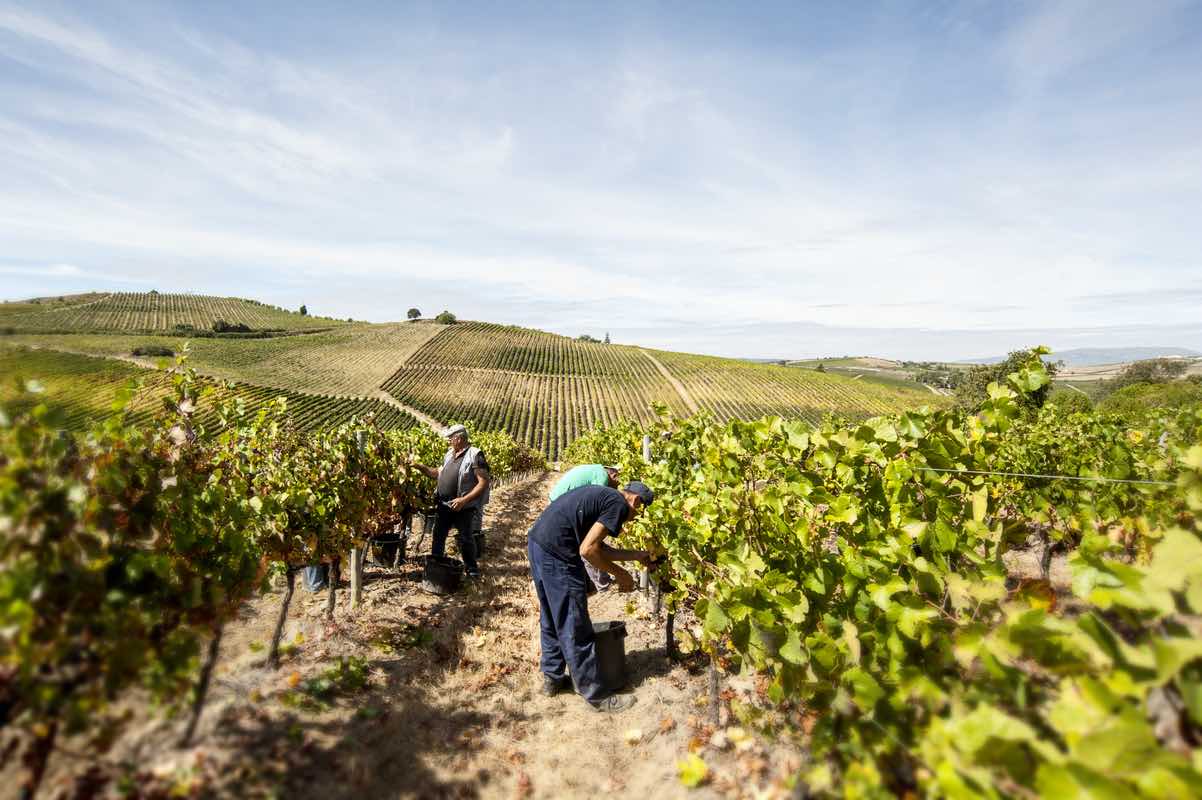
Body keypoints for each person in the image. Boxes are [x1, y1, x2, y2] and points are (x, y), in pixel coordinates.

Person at [527, 480, 654, 712]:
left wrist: (636, 555)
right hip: (557, 554)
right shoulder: (618, 505)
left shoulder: (605, 496)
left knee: (551, 617)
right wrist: (621, 575)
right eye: (639, 513)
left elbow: (599, 547)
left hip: (538, 544)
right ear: (635, 501)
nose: (634, 519)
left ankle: (553, 679)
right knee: (574, 623)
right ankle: (597, 695)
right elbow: (588, 550)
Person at [412, 424, 490, 578]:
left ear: (459, 438)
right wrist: (420, 467)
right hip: (444, 505)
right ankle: (436, 565)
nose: (448, 441)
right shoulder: (449, 454)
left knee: (466, 537)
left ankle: (472, 570)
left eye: (450, 438)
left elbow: (483, 482)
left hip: (463, 506)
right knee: (438, 535)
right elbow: (437, 473)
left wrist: (463, 500)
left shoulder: (475, 455)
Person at [548, 465, 621, 591]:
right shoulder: (602, 477)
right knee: (590, 546)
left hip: (559, 502)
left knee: (584, 544)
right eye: (617, 485)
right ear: (613, 476)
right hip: (563, 508)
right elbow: (598, 506)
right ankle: (604, 585)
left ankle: (587, 583)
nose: (616, 489)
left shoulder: (595, 470)